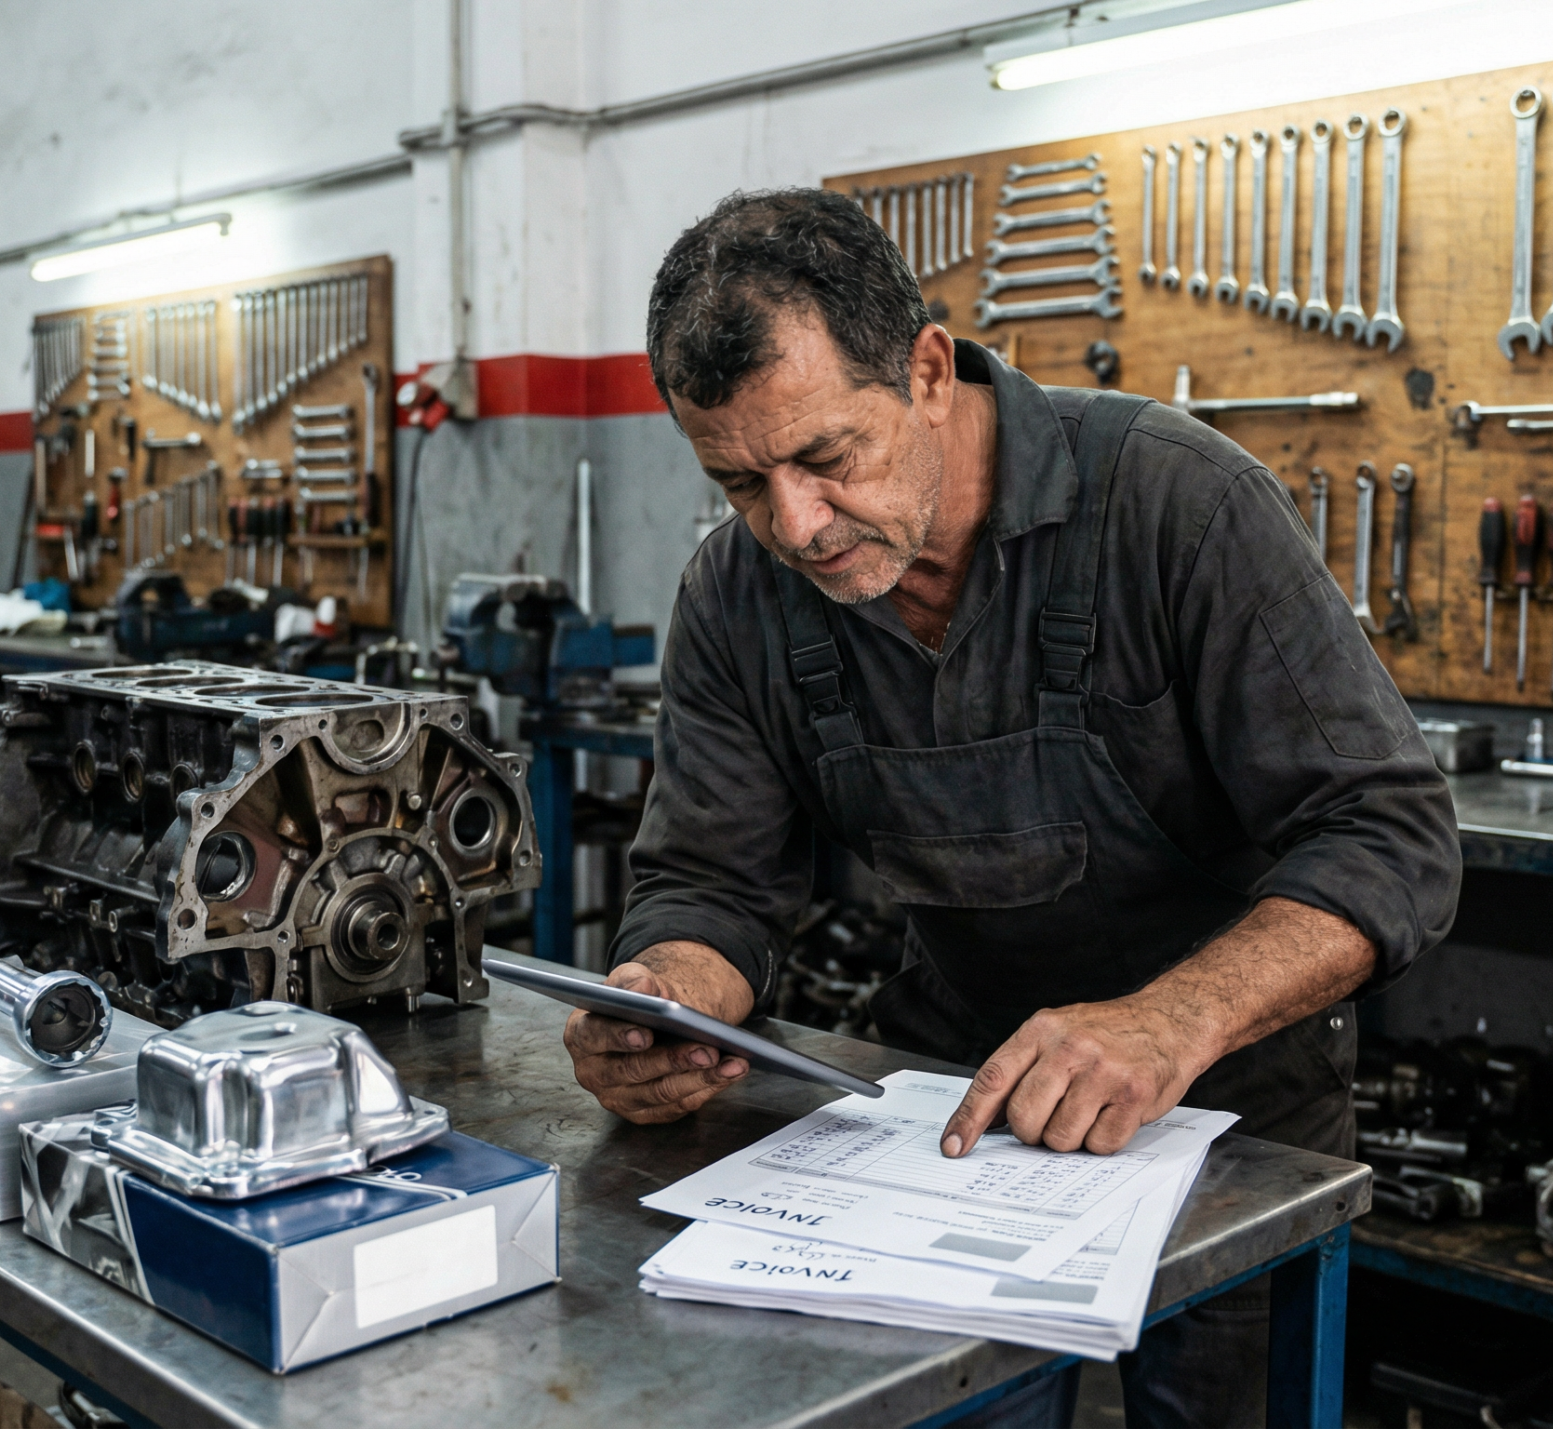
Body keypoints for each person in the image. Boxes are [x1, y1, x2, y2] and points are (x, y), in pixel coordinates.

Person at [564, 187, 1459, 1427]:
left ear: (929, 369)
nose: (797, 525)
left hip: (1227, 1113)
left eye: (827, 458)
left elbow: (1392, 835)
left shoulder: (1175, 504)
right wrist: (671, 992)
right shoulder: (738, 593)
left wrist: (1165, 1023)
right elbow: (711, 881)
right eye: (740, 482)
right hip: (946, 1113)